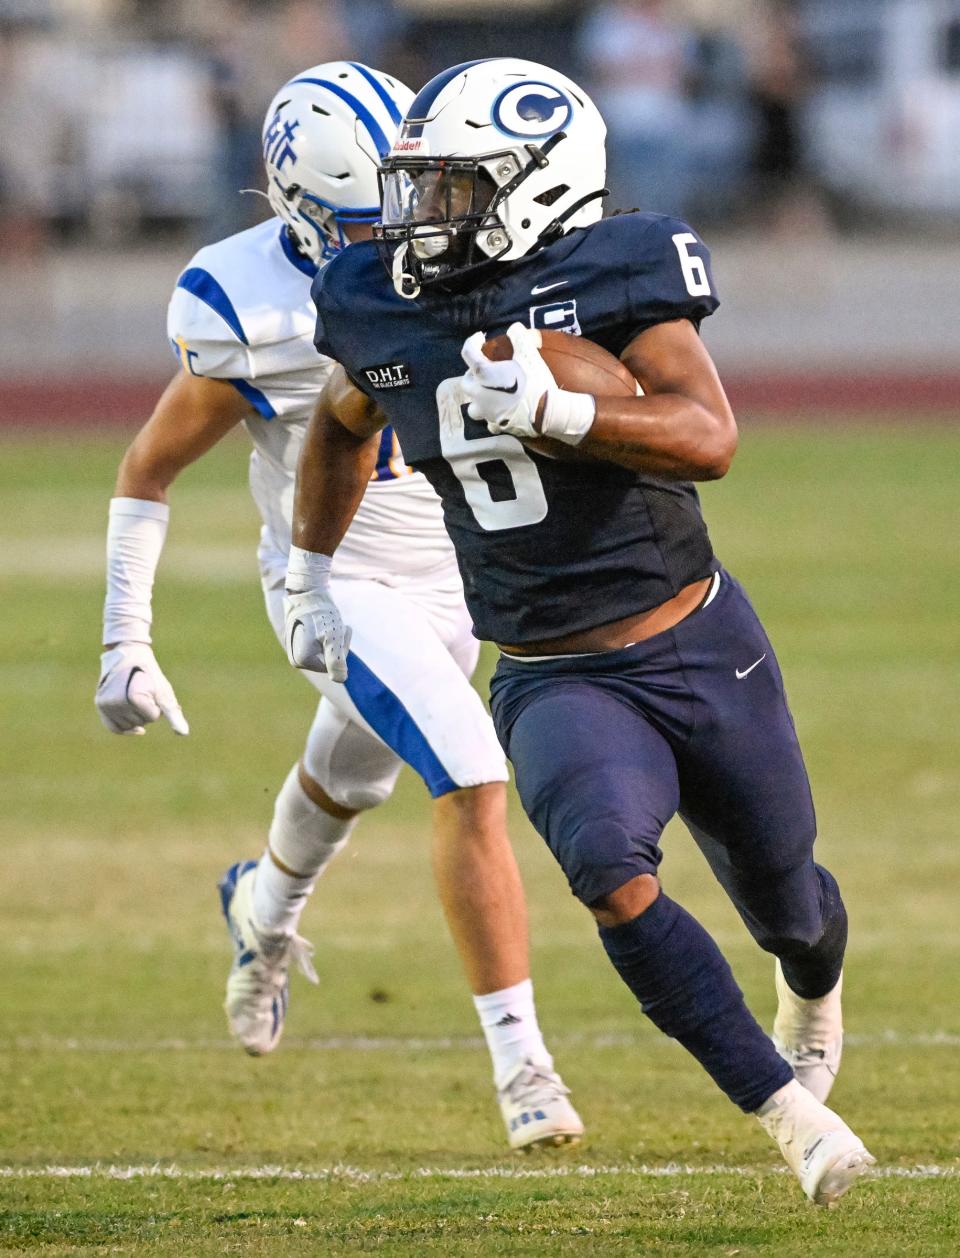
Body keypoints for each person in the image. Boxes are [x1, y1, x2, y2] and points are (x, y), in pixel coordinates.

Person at [283, 58, 875, 1205]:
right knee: (607, 869)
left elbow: (709, 434)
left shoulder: (615, 268)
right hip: (552, 672)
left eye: (455, 188)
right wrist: (311, 575)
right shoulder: (378, 299)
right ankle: (788, 1114)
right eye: (421, 185)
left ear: (541, 185)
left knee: (791, 902)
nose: (423, 213)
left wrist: (564, 411)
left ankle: (810, 988)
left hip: (695, 636)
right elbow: (342, 423)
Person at [94, 61, 583, 1153]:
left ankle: (260, 911)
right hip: (331, 585)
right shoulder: (257, 307)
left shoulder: (461, 246)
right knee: (471, 768)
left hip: (459, 576)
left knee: (356, 768)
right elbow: (147, 467)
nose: (409, 231)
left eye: (419, 193)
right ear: (303, 210)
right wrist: (126, 634)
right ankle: (524, 1066)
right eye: (375, 219)